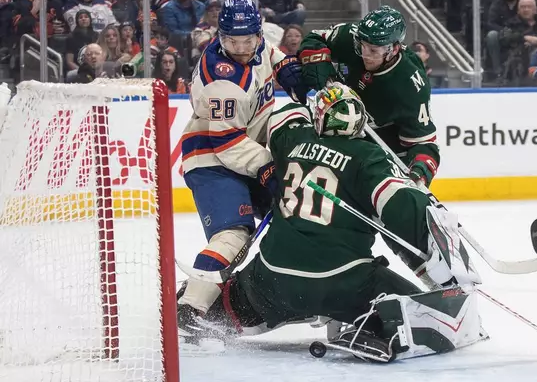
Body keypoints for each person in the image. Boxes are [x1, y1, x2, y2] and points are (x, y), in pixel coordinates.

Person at [180, 83, 487, 361]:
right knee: (413, 304)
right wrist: (424, 202)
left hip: (273, 279)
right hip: (342, 282)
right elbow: (402, 208)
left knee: (238, 297)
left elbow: (284, 115)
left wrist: (316, 93)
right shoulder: (370, 157)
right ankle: (374, 328)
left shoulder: (291, 139)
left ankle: (201, 309)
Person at [176, 0, 307, 341]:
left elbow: (271, 54)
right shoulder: (222, 83)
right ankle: (189, 310)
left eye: (248, 39)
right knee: (233, 234)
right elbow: (227, 143)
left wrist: (287, 67)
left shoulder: (257, 43)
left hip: (242, 151)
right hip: (211, 157)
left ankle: (276, 289)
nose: (242, 48)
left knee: (293, 213)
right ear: (221, 37)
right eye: (233, 41)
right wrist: (266, 168)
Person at [297, 5, 439, 190]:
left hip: (379, 143)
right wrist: (317, 61)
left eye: (373, 50)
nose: (365, 55)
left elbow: (424, 144)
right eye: (362, 46)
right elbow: (314, 38)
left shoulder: (411, 85)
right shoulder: (352, 36)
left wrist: (418, 171)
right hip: (332, 125)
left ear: (394, 49)